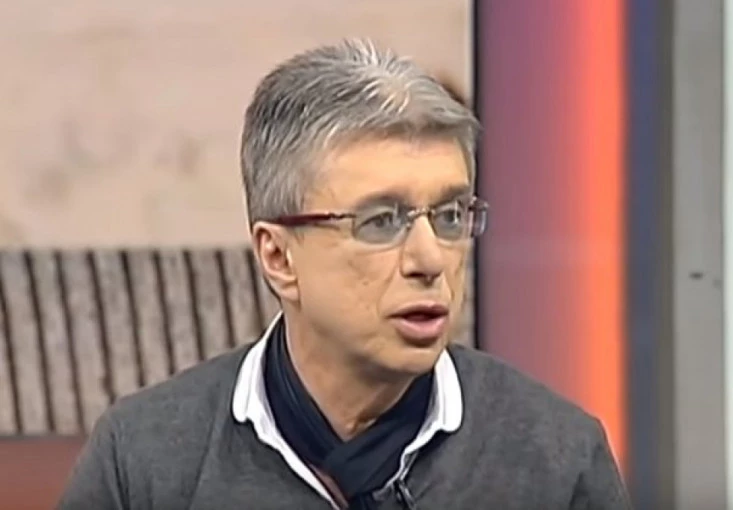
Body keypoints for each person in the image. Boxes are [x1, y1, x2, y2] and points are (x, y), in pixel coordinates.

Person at [57, 39, 631, 510]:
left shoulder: (556, 458)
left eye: (451, 216)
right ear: (278, 257)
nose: (430, 259)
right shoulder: (144, 459)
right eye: (381, 221)